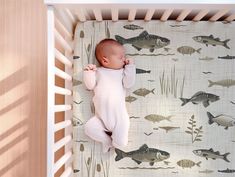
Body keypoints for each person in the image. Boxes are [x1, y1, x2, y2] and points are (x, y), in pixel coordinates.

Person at [83, 39, 136, 153]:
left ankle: (115, 142)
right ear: (105, 61)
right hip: (100, 119)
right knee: (89, 128)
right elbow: (90, 85)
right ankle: (106, 140)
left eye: (124, 57)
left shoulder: (122, 72)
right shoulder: (98, 72)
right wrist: (89, 73)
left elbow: (129, 83)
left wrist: (130, 67)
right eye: (120, 57)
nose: (124, 59)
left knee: (120, 144)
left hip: (119, 118)